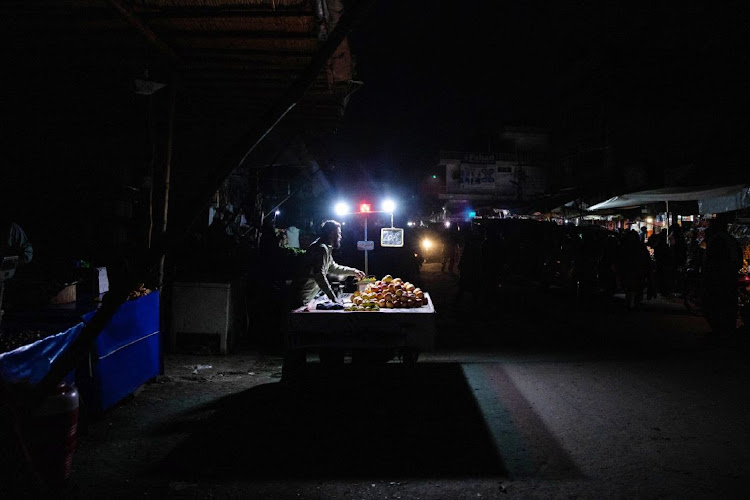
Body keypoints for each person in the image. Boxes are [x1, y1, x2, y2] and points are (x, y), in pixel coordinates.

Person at [283, 220, 365, 382]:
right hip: (300, 297)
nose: (340, 236)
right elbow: (319, 274)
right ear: (330, 234)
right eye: (338, 233)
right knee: (297, 339)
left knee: (299, 339)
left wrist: (353, 271)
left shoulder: (324, 248)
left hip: (306, 297)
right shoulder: (320, 249)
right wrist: (333, 298)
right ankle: (292, 378)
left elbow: (332, 267)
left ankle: (295, 375)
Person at [701, 213, 743, 339]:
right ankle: (725, 331)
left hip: (720, 279)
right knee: (727, 306)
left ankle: (720, 332)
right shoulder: (731, 240)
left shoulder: (717, 241)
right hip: (729, 278)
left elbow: (712, 262)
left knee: (717, 305)